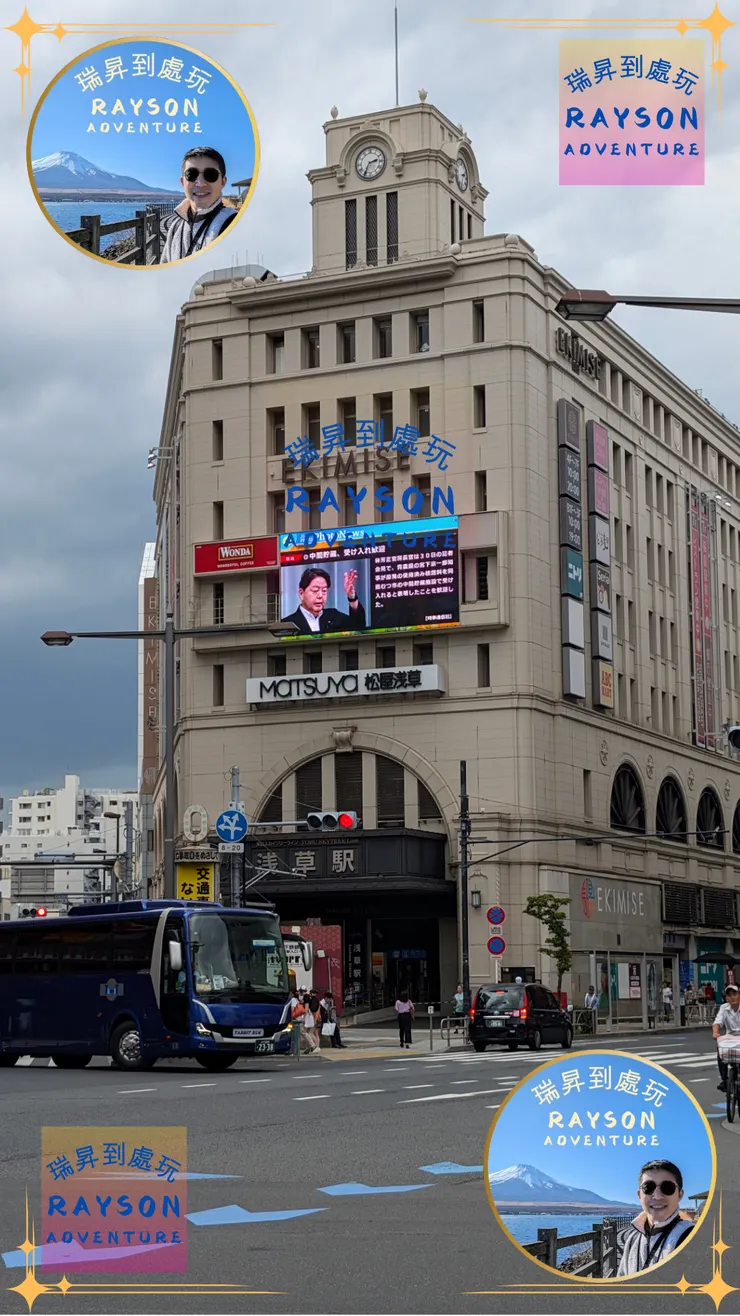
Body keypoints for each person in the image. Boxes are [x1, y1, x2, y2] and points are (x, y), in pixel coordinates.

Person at [161, 148, 238, 264]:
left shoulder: (233, 225)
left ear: (223, 181)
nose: (201, 183)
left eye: (210, 174)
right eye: (191, 174)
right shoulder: (176, 227)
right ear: (182, 182)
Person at [617, 1159, 693, 1275]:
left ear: (680, 1195)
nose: (657, 1196)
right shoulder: (632, 1240)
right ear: (639, 1195)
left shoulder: (690, 1237)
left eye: (668, 1187)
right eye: (648, 1187)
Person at [281, 567, 366, 634]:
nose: (320, 596)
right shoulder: (287, 624)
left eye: (324, 591)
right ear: (301, 593)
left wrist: (352, 597)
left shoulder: (334, 616)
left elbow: (358, 627)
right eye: (315, 590)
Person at [713, 982, 740, 1092]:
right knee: (720, 1050)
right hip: (731, 1038)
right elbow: (717, 1022)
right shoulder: (724, 1007)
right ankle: (725, 1080)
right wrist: (715, 1033)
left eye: (734, 994)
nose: (732, 997)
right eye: (729, 995)